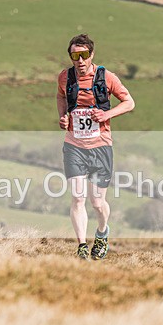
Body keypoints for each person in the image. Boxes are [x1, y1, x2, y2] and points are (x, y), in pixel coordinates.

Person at [57, 34, 135, 260]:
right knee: (78, 198)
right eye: (75, 56)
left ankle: (102, 233)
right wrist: (62, 117)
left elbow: (129, 102)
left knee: (97, 202)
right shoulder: (65, 77)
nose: (79, 61)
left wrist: (106, 115)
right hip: (74, 146)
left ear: (91, 55)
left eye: (84, 55)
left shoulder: (106, 77)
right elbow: (60, 96)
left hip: (101, 146)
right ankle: (81, 245)